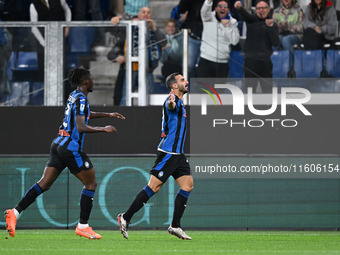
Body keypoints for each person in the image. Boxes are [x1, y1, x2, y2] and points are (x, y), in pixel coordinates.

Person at [4, 67, 125, 239]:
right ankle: (83, 226)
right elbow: (81, 126)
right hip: (70, 147)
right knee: (90, 183)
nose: (93, 80)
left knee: (44, 184)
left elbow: (84, 115)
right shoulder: (81, 98)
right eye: (91, 78)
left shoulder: (74, 95)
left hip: (58, 143)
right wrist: (104, 129)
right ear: (85, 81)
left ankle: (15, 212)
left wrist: (108, 114)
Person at [117, 72, 193, 240]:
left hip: (178, 154)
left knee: (187, 185)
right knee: (153, 187)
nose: (186, 82)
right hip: (168, 153)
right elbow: (171, 106)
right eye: (182, 80)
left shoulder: (180, 101)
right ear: (174, 86)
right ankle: (125, 217)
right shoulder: (171, 101)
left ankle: (175, 225)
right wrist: (172, 103)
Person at [111, 6, 166, 105]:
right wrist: (115, 21)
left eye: (148, 12)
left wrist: (154, 29)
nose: (146, 14)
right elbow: (117, 34)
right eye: (143, 12)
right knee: (125, 98)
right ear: (139, 15)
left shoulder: (154, 29)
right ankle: (122, 118)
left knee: (149, 99)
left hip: (147, 69)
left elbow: (164, 43)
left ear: (151, 15)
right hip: (131, 69)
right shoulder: (130, 27)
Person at [235, 0, 279, 93]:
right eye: (259, 8)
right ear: (256, 10)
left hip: (266, 62)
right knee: (249, 92)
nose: (261, 10)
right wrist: (239, 8)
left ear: (268, 10)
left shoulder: (272, 24)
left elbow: (276, 42)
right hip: (251, 62)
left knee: (268, 92)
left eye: (264, 8)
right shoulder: (251, 20)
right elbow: (244, 14)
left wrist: (270, 28)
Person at [30, 0, 72, 81]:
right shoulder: (34, 5)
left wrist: (67, 25)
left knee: (62, 68)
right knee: (44, 70)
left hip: (59, 39)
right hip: (43, 41)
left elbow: (67, 10)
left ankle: (63, 90)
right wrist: (44, 44)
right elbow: (34, 28)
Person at [197, 0, 240, 78]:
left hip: (222, 63)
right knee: (203, 90)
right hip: (206, 60)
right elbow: (204, 11)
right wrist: (209, 1)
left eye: (225, 7)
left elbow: (235, 41)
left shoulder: (233, 22)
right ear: (215, 9)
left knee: (219, 90)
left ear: (228, 10)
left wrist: (226, 27)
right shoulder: (208, 18)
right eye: (220, 6)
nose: (222, 8)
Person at [273, 0, 303, 71]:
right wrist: (278, 27)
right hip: (281, 34)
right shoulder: (276, 11)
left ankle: (293, 66)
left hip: (296, 35)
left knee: (286, 40)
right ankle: (274, 66)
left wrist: (288, 27)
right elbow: (273, 28)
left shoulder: (298, 10)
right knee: (276, 39)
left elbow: (301, 27)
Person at [178, 0, 205, 79]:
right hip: (192, 34)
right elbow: (181, 9)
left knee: (203, 67)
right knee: (189, 66)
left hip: (208, 36)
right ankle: (192, 86)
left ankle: (201, 87)